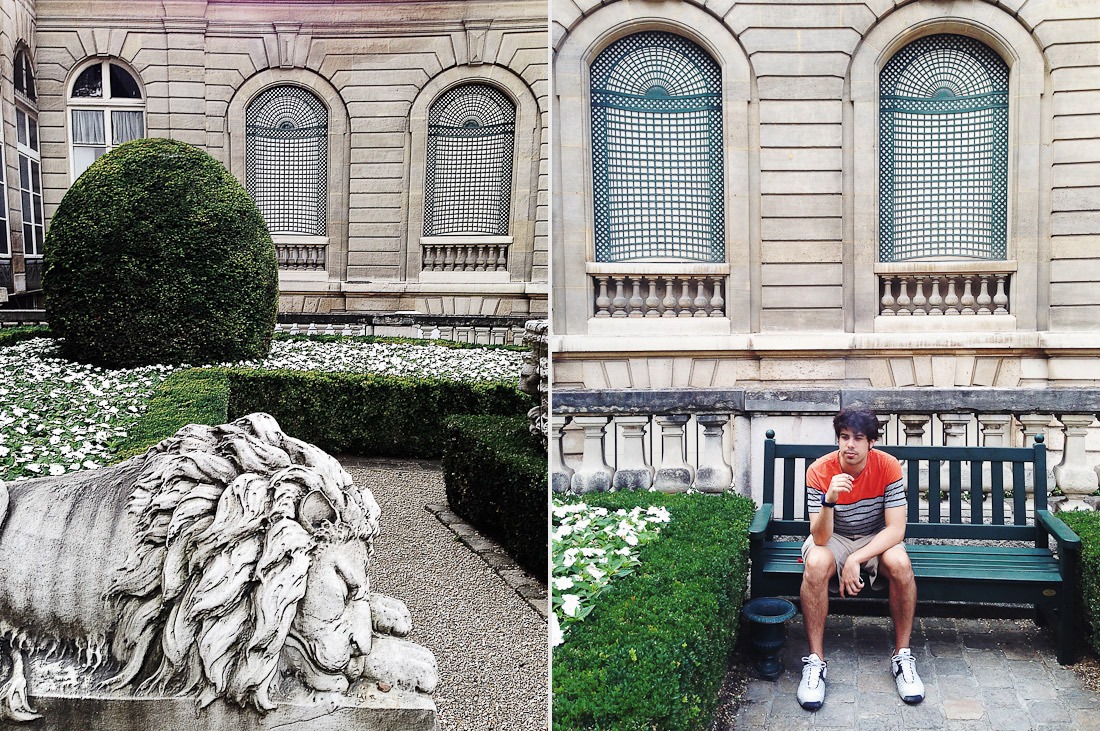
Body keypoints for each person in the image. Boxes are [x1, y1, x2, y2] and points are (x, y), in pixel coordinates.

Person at [796, 408, 924, 711]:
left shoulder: (888, 467)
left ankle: (902, 657)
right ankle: (815, 662)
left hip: (875, 537)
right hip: (834, 536)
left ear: (871, 443)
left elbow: (896, 529)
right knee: (815, 564)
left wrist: (856, 559)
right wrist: (829, 500)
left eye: (858, 438)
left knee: (901, 564)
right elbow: (822, 539)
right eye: (844, 437)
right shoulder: (819, 471)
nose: (849, 445)